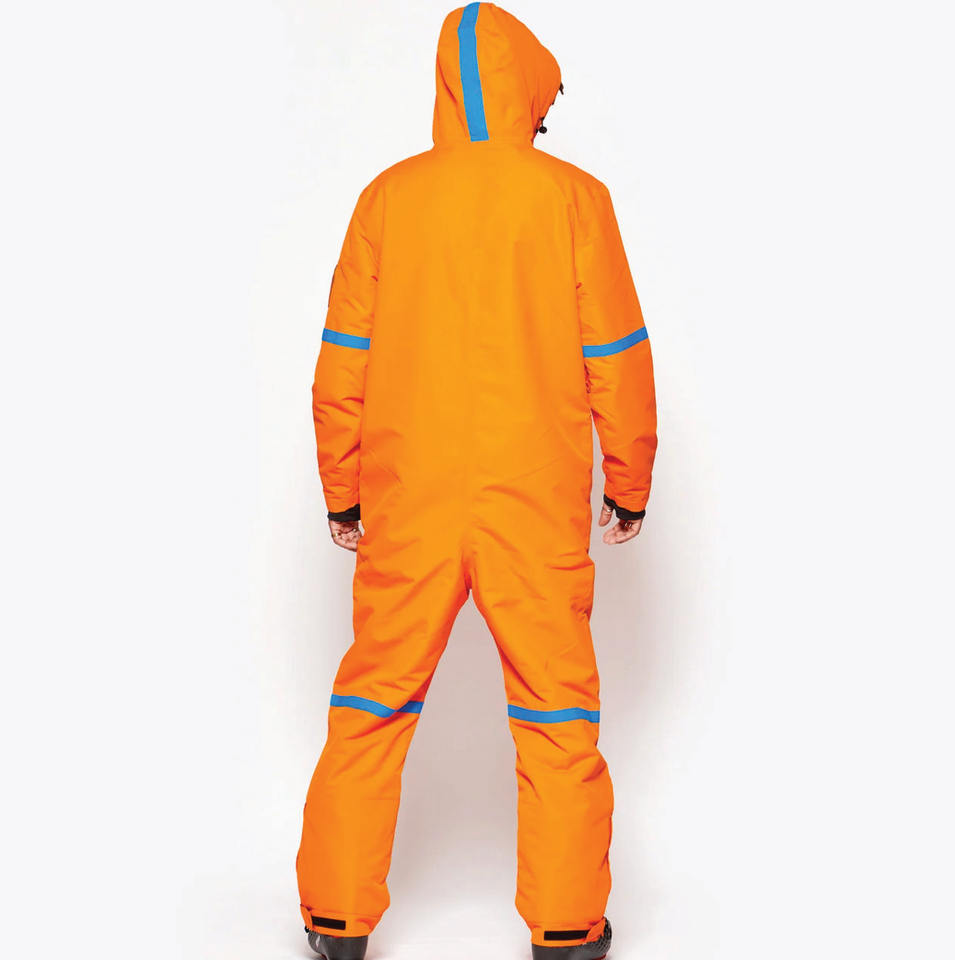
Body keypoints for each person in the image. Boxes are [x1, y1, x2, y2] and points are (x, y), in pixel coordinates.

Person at [297, 4, 657, 959]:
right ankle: (566, 928)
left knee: (372, 704)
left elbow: (342, 359)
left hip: (409, 500)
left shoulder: (387, 198)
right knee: (556, 711)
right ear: (527, 91)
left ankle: (335, 921)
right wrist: (628, 481)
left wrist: (342, 488)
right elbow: (616, 352)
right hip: (530, 502)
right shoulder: (572, 198)